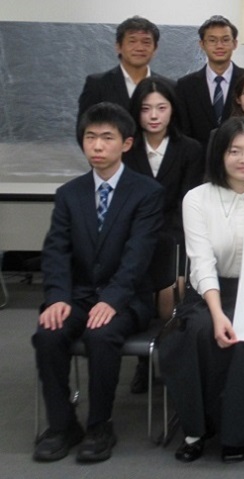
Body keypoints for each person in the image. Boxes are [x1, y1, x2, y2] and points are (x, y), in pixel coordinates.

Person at [33, 102, 164, 463]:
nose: (97, 146)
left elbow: (138, 255)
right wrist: (57, 297)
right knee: (49, 333)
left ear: (126, 143)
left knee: (101, 335)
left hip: (127, 298)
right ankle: (62, 425)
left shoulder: (146, 192)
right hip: (77, 296)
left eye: (107, 138)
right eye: (90, 137)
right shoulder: (69, 194)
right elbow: (56, 251)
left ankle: (99, 425)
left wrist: (113, 299)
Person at [159, 117, 244, 464]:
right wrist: (217, 314)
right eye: (234, 151)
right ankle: (195, 430)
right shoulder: (196, 198)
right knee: (201, 332)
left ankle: (236, 432)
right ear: (220, 155)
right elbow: (201, 261)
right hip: (208, 294)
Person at [124, 76, 204, 393]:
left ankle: (170, 358)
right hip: (133, 235)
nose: (154, 116)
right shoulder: (126, 149)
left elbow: (189, 202)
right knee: (137, 286)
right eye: (146, 109)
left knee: (174, 290)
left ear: (173, 110)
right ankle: (144, 363)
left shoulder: (190, 149)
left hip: (176, 233)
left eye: (161, 107)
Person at [176, 15, 244, 150]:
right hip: (198, 159)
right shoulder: (185, 86)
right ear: (202, 44)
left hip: (240, 156)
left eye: (225, 40)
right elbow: (183, 132)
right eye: (212, 40)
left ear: (235, 44)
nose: (219, 46)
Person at [77, 16, 165, 122]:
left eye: (146, 42)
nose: (139, 48)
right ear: (118, 47)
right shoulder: (97, 84)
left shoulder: (167, 86)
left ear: (155, 49)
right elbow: (84, 126)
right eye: (132, 41)